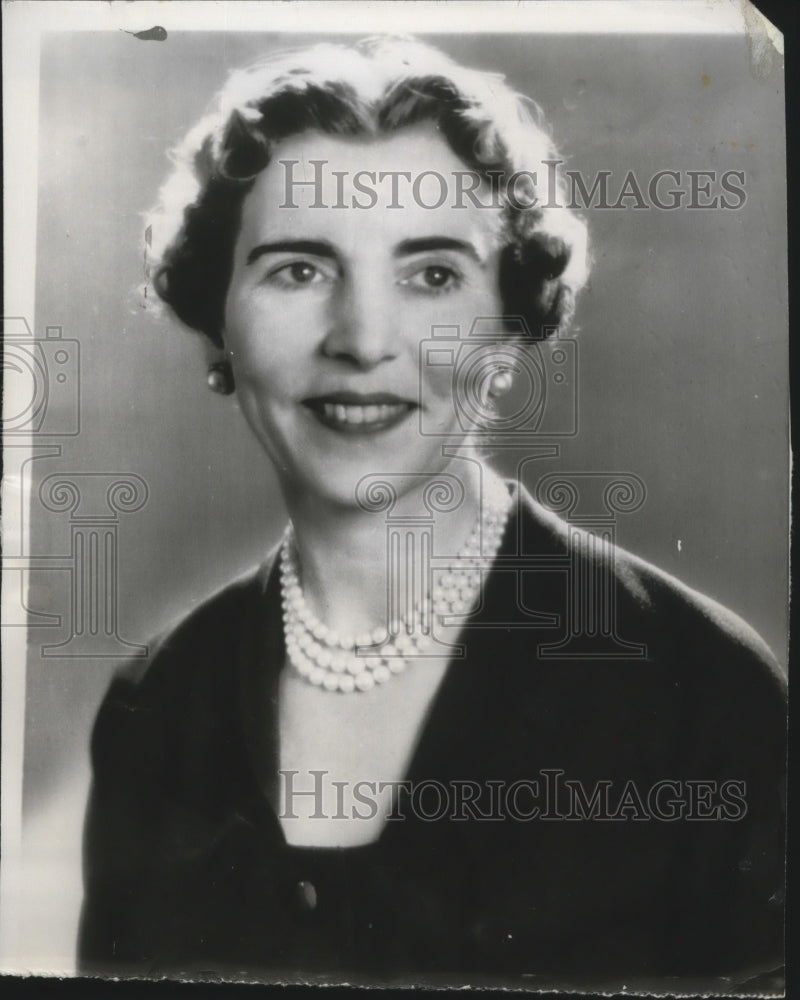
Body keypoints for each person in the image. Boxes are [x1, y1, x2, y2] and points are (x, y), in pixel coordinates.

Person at [77, 37, 786, 989]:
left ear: (509, 320)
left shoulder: (701, 689)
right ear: (217, 318)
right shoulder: (154, 707)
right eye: (298, 268)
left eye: (432, 275)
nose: (364, 340)